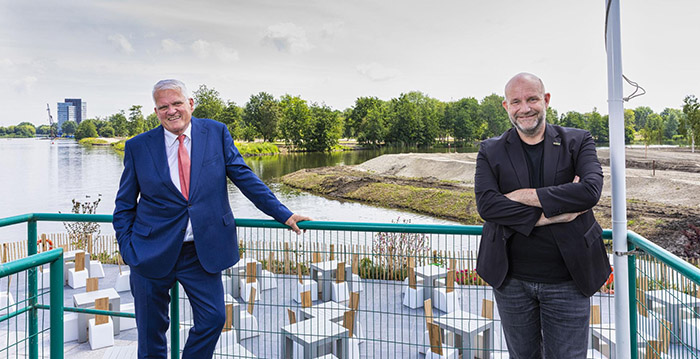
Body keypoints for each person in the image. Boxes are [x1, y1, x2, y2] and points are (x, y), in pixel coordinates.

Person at [113, 79, 310, 358]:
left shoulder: (215, 133)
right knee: (150, 332)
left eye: (177, 103)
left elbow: (244, 176)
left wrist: (284, 214)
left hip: (200, 252)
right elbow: (123, 205)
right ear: (156, 112)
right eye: (163, 107)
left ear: (190, 104)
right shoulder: (138, 147)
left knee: (213, 318)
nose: (171, 111)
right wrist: (128, 248)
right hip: (149, 252)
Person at [474, 73, 610, 358]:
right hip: (511, 280)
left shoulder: (578, 140)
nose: (525, 108)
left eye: (532, 99)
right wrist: (554, 214)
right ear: (506, 106)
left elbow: (589, 191)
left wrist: (523, 196)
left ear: (546, 100)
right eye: (516, 101)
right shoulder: (490, 150)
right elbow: (487, 206)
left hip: (569, 279)